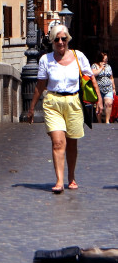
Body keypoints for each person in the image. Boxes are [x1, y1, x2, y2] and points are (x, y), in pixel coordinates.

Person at [26, 22, 102, 192]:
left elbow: (90, 78)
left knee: (72, 143)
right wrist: (31, 108)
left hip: (74, 102)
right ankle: (59, 181)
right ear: (52, 41)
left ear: (68, 40)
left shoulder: (78, 56)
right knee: (58, 142)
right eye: (57, 39)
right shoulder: (46, 59)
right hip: (53, 102)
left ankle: (71, 176)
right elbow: (40, 86)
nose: (61, 42)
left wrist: (99, 100)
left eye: (64, 39)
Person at [91, 51, 115, 123]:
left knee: (109, 103)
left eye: (106, 59)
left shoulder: (108, 67)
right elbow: (93, 74)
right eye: (105, 59)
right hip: (98, 89)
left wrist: (113, 87)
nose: (106, 60)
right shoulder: (94, 66)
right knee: (99, 106)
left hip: (108, 88)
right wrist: (101, 68)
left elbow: (111, 77)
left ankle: (107, 121)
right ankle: (99, 121)